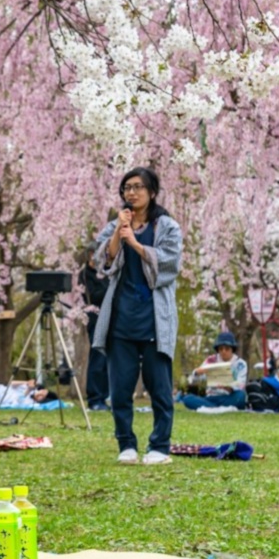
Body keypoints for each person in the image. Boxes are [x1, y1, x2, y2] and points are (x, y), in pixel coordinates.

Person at [90, 168, 183, 465]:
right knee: (120, 388)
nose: (131, 193)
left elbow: (170, 265)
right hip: (122, 316)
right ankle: (126, 444)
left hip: (155, 317)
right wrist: (120, 232)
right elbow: (102, 260)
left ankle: (159, 446)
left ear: (152, 191)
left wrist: (136, 243)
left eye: (138, 187)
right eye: (127, 187)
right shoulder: (117, 224)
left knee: (159, 387)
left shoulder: (167, 226)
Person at [180, 332, 248, 411]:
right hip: (211, 397)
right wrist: (197, 372)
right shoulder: (211, 360)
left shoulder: (241, 364)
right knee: (187, 399)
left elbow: (241, 384)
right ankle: (220, 409)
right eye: (221, 349)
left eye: (227, 348)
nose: (223, 351)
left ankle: (210, 408)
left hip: (229, 396)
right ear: (217, 349)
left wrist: (229, 386)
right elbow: (194, 380)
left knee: (241, 396)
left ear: (232, 349)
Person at [80, 242, 111, 412]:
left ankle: (104, 397)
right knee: (97, 359)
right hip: (95, 320)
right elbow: (91, 298)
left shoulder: (106, 273)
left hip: (110, 319)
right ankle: (94, 398)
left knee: (108, 360)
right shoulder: (84, 275)